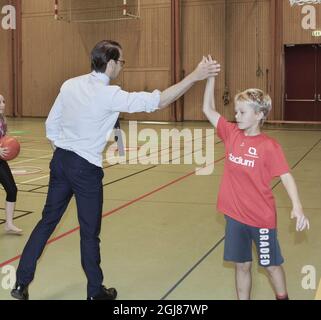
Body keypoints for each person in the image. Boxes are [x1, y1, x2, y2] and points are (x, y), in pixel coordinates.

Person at [11, 41, 221, 300]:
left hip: (61, 162)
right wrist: (195, 76)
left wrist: (62, 151)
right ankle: (94, 292)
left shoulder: (69, 84)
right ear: (110, 63)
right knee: (89, 234)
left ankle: (21, 284)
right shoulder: (110, 94)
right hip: (85, 168)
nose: (122, 66)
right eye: (121, 62)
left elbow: (51, 124)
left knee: (46, 222)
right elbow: (159, 101)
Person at [202, 55, 310, 300]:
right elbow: (208, 109)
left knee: (270, 265)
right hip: (235, 218)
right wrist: (210, 78)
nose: (236, 116)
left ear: (259, 115)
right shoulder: (231, 134)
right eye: (236, 111)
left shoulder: (269, 146)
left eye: (242, 112)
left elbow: (286, 176)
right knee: (242, 265)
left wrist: (297, 206)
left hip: (261, 219)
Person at [0, 94, 21, 234]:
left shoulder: (2, 120)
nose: (3, 104)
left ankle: (9, 224)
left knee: (12, 189)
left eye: (3, 101)